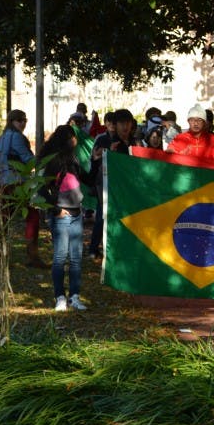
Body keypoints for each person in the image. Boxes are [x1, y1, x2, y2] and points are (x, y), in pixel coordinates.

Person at [38, 125, 91, 312]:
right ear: (67, 139)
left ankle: (74, 296)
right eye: (73, 138)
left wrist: (99, 160)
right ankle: (59, 296)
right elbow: (41, 188)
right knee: (60, 257)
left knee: (76, 258)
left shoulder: (73, 159)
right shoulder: (53, 161)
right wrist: (55, 209)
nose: (76, 141)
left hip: (77, 213)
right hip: (62, 215)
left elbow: (87, 178)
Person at [0, 109, 47, 267]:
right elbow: (27, 159)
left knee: (3, 218)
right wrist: (43, 162)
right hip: (18, 183)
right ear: (12, 121)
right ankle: (33, 257)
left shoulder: (2, 137)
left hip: (4, 181)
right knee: (32, 217)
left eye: (25, 120)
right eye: (20, 120)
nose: (23, 123)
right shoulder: (17, 137)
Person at [88, 108, 136, 259]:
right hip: (106, 185)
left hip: (127, 187)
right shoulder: (105, 140)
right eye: (122, 123)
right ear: (115, 124)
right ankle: (93, 249)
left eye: (128, 122)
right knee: (103, 216)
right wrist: (107, 153)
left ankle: (118, 248)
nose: (125, 126)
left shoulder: (135, 142)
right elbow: (94, 159)